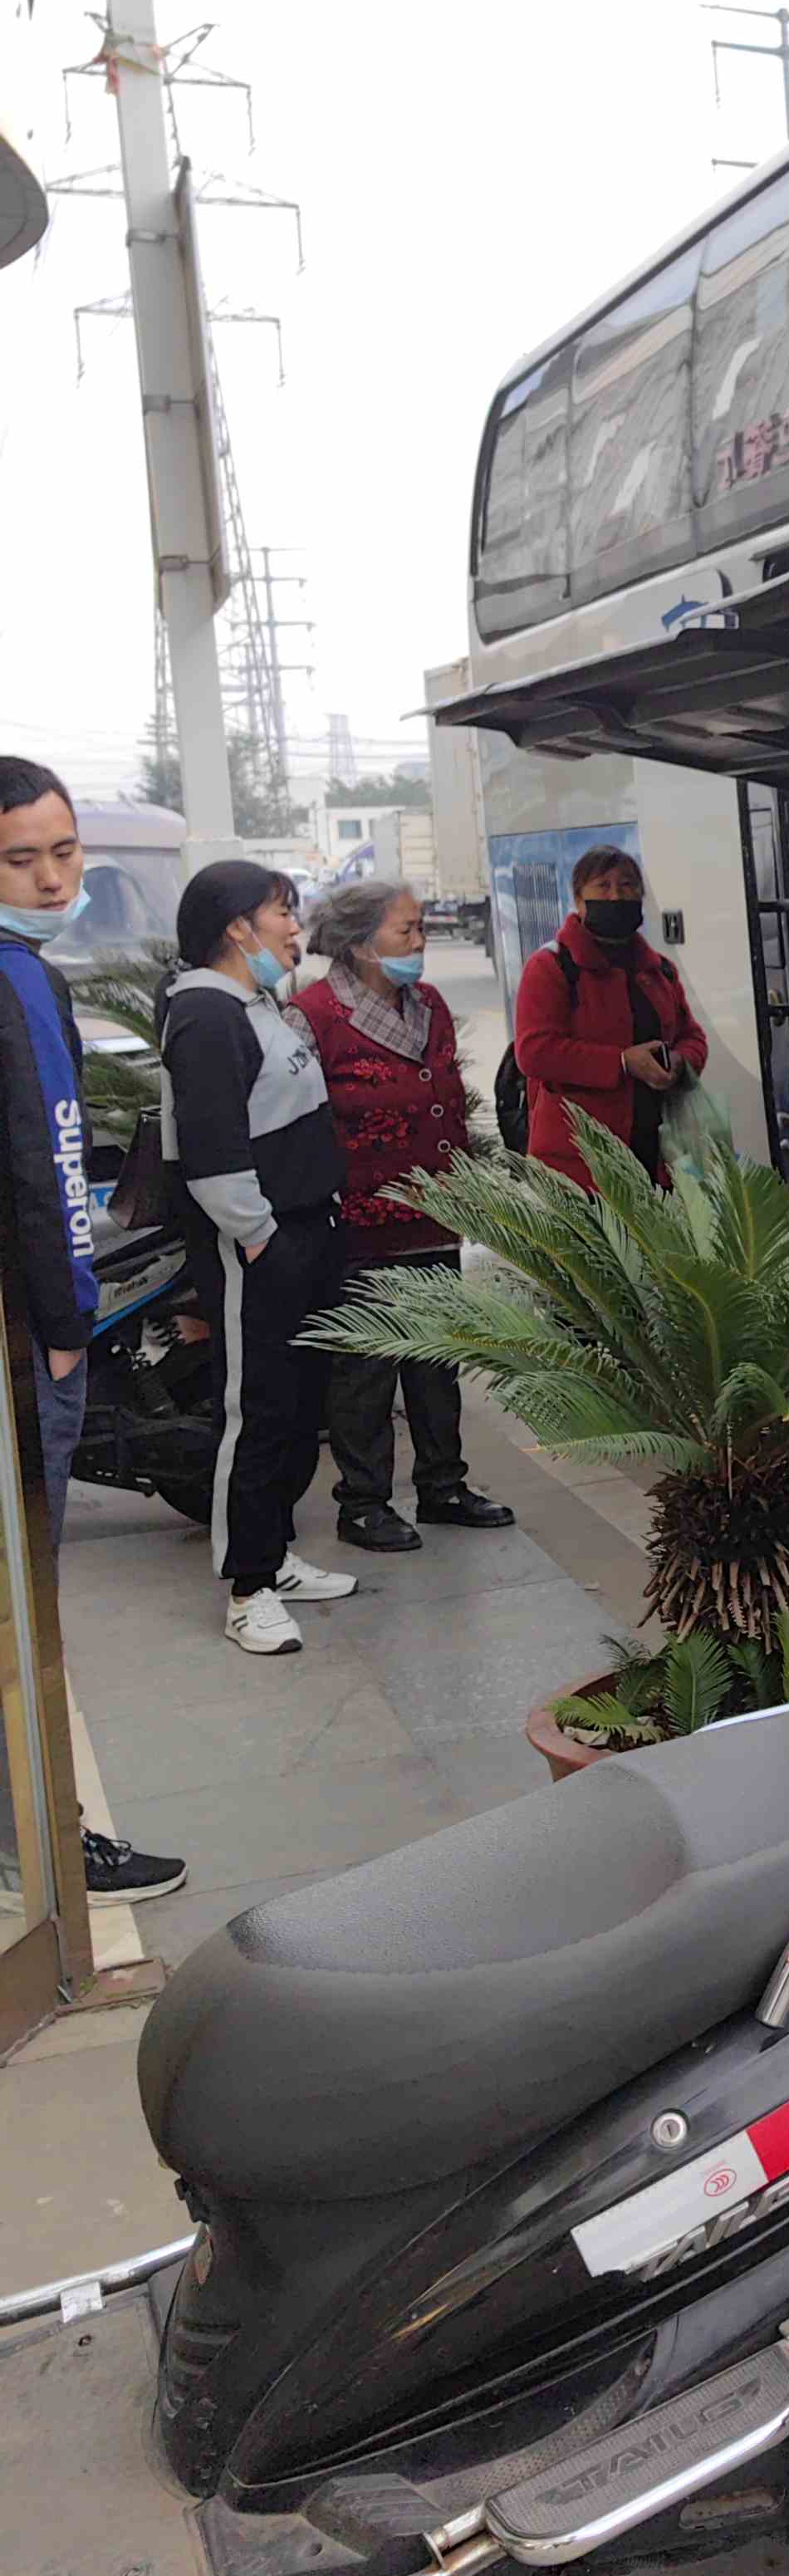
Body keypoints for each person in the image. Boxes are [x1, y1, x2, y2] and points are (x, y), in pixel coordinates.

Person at [0, 758, 184, 1897]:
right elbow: (41, 1159)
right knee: (27, 1607)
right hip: (32, 1344)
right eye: (23, 858)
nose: (54, 876)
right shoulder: (17, 982)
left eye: (66, 852)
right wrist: (64, 1327)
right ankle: (43, 1846)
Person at [159, 861, 357, 1658]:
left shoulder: (253, 1001)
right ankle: (247, 1590)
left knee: (301, 1402)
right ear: (238, 926)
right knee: (261, 1412)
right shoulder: (207, 1013)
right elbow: (211, 1156)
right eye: (282, 911)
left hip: (304, 1230)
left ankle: (273, 1555)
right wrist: (260, 1236)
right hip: (260, 1243)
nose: (294, 925)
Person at [296, 876, 513, 1555]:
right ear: (360, 944)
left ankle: (443, 1486)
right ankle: (363, 1503)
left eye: (421, 929)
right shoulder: (315, 1013)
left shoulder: (430, 1005)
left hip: (433, 1212)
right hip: (362, 1223)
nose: (421, 942)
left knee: (437, 1363)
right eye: (406, 931)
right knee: (365, 1370)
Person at [511, 847, 706, 1191]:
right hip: (581, 1168)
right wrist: (621, 1062)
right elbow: (534, 1052)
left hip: (659, 1159)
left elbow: (692, 1036)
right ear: (578, 900)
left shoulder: (659, 970)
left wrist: (680, 1061)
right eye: (603, 886)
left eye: (628, 885)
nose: (616, 895)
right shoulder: (551, 966)